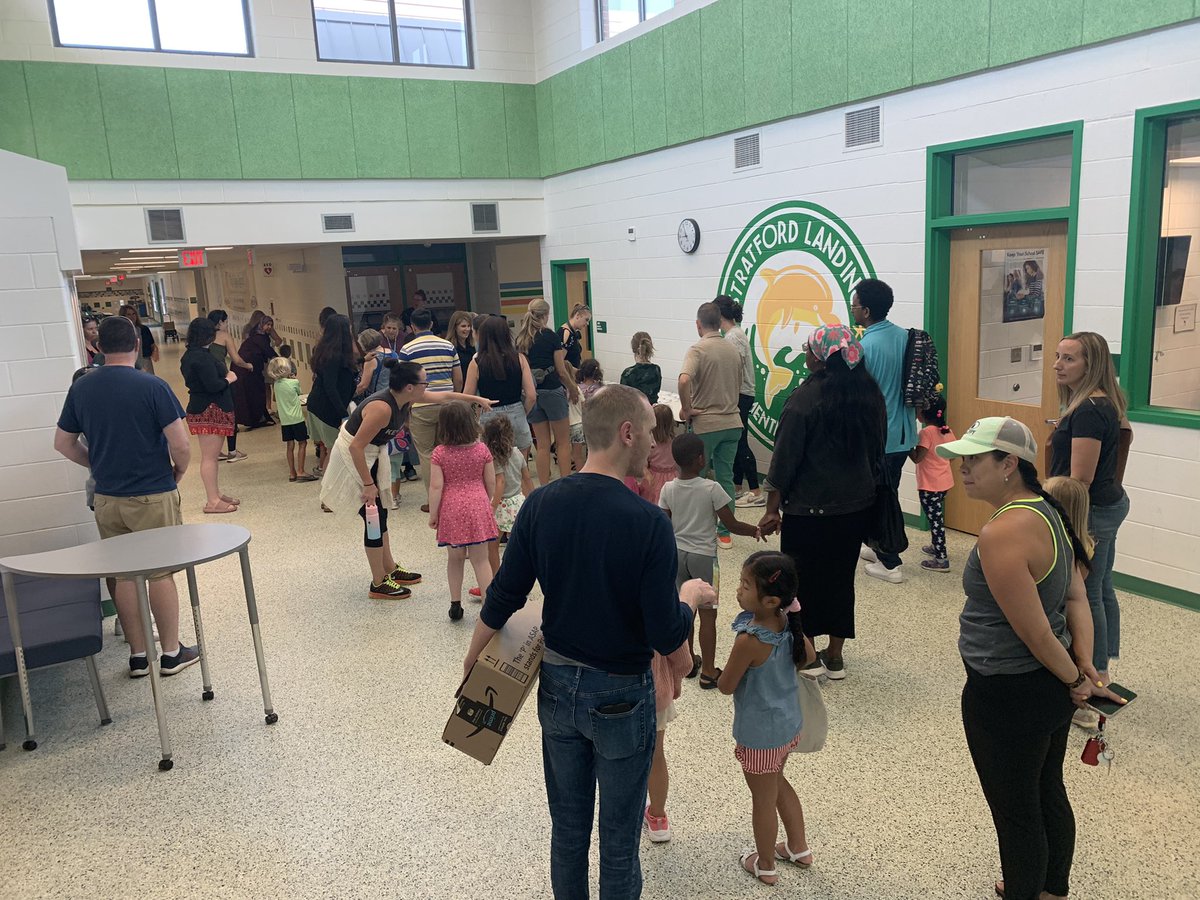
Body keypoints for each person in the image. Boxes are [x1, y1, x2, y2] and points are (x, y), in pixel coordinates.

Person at [461, 384, 711, 900]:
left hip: (556, 689)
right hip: (621, 693)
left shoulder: (542, 504)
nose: (651, 441)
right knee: (619, 842)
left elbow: (505, 593)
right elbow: (666, 633)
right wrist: (689, 598)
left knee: (568, 831)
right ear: (626, 433)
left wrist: (473, 657)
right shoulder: (647, 523)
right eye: (647, 431)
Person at [935, 416, 1123, 900]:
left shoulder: (1004, 532)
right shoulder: (1048, 509)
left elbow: (1036, 632)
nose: (963, 469)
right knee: (1046, 791)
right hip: (1046, 688)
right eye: (962, 459)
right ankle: (1052, 890)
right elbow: (1076, 599)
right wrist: (1082, 666)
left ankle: (1025, 890)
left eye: (975, 460)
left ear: (1009, 464)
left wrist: (1077, 679)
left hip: (1007, 691)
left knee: (1016, 812)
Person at [53, 315, 199, 677]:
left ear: (99, 348)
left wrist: (96, 466)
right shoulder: (152, 386)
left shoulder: (82, 388)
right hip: (152, 493)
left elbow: (63, 443)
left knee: (123, 575)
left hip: (107, 499)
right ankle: (169, 654)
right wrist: (177, 473)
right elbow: (180, 444)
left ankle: (138, 656)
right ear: (136, 345)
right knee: (159, 573)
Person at [758, 325, 884, 681]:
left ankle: (807, 654)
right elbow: (878, 451)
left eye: (808, 349)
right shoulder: (868, 395)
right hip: (856, 507)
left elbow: (784, 460)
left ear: (821, 357)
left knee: (802, 583)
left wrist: (771, 509)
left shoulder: (804, 400)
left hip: (808, 511)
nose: (805, 354)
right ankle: (836, 655)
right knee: (841, 578)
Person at [320, 359, 491, 599]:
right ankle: (378, 583)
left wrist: (476, 400)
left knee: (382, 514)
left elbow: (443, 397)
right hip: (355, 458)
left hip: (373, 454)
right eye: (424, 382)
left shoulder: (407, 397)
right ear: (409, 386)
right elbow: (356, 447)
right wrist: (368, 485)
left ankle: (389, 568)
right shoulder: (382, 408)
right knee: (373, 518)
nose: (427, 387)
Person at [717, 551, 815, 885]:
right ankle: (799, 848)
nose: (739, 590)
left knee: (763, 798)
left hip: (760, 735)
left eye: (745, 585)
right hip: (788, 726)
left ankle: (766, 864)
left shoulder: (749, 640)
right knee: (778, 783)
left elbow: (726, 686)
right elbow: (809, 657)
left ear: (771, 599)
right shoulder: (789, 623)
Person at [1050, 332, 1130, 693]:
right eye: (1057, 357)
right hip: (1109, 503)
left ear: (1091, 365)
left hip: (1093, 510)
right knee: (1102, 587)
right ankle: (1104, 664)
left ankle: (1096, 674)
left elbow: (1080, 478)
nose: (1058, 365)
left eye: (1069, 359)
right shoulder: (1102, 405)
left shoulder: (1088, 412)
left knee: (1088, 592)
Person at [660, 433, 763, 689]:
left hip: (677, 555)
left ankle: (688, 663)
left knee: (686, 611)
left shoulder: (668, 488)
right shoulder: (711, 488)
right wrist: (754, 530)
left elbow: (662, 523)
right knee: (708, 616)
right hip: (704, 557)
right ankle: (708, 670)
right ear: (700, 459)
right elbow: (730, 524)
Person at [852, 278, 917, 583]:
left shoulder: (864, 347)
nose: (852, 309)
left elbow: (858, 398)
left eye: (854, 304)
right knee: (884, 493)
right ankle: (877, 547)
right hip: (904, 433)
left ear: (865, 310)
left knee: (880, 498)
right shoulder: (904, 338)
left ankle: (891, 563)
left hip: (879, 437)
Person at [679, 301, 744, 549]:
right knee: (725, 477)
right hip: (732, 422)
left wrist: (686, 409)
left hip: (706, 425)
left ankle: (696, 529)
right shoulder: (733, 350)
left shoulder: (698, 350)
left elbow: (685, 380)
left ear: (698, 325)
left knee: (696, 478)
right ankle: (725, 532)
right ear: (719, 323)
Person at [429, 401, 499, 622]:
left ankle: (455, 605)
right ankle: (489, 607)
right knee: (481, 560)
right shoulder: (482, 450)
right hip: (478, 504)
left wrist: (433, 514)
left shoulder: (440, 453)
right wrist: (486, 501)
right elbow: (490, 481)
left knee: (455, 559)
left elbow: (436, 486)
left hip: (452, 508)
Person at [397, 307, 462, 509]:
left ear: (412, 326)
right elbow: (458, 378)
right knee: (449, 449)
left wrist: (406, 408)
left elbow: (402, 383)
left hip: (421, 406)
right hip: (447, 405)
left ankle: (432, 501)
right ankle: (452, 495)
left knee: (426, 454)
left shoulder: (407, 350)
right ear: (432, 324)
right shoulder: (448, 346)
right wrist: (454, 399)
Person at [179, 317, 240, 514]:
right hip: (209, 409)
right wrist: (229, 379)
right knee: (210, 458)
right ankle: (212, 500)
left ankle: (215, 493)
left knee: (211, 457)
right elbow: (213, 385)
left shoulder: (190, 355)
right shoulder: (202, 358)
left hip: (203, 407)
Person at [516, 298, 579, 485]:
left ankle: (544, 485)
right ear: (545, 315)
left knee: (542, 445)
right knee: (563, 442)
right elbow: (561, 370)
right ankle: (565, 484)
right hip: (552, 390)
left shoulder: (521, 338)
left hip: (532, 394)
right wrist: (573, 388)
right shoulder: (551, 336)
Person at [644, 633, 695, 844]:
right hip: (655, 691)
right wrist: (673, 682)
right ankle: (657, 818)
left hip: (609, 693)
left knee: (616, 759)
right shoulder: (660, 600)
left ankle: (622, 815)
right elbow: (683, 660)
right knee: (656, 755)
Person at [716, 296, 764, 508]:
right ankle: (737, 486)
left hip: (740, 395)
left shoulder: (732, 338)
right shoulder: (733, 334)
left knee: (741, 441)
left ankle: (755, 491)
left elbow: (733, 371)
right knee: (735, 441)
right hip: (741, 393)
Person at [467, 313, 537, 459]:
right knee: (520, 468)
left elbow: (467, 397)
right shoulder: (520, 359)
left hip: (489, 414)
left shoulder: (476, 363)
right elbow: (531, 395)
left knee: (493, 468)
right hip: (517, 411)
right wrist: (523, 412)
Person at [308, 314, 358, 482]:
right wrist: (343, 414)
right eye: (349, 328)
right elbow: (330, 387)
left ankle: (330, 488)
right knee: (333, 450)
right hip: (326, 409)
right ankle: (327, 493)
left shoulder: (332, 351)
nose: (352, 331)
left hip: (326, 407)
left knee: (333, 449)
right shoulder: (332, 356)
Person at [910, 394, 956, 572]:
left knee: (935, 520)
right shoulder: (947, 430)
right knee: (936, 517)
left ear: (922, 413)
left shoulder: (926, 433)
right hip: (944, 483)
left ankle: (941, 559)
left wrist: (906, 444)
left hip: (930, 486)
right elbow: (951, 455)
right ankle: (936, 547)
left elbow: (917, 458)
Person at [206, 309, 253, 462]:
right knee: (229, 414)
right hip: (224, 379)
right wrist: (248, 366)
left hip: (208, 380)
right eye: (226, 322)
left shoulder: (204, 336)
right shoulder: (224, 336)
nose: (227, 325)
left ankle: (216, 451)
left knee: (214, 415)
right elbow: (236, 359)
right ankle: (232, 451)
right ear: (220, 322)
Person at [269, 353, 317, 483]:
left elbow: (274, 398)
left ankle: (292, 472)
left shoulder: (276, 384)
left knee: (289, 446)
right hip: (297, 418)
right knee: (302, 443)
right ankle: (301, 470)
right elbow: (299, 394)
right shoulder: (294, 382)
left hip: (285, 421)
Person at [233, 310, 278, 430]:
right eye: (267, 324)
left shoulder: (259, 337)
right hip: (246, 369)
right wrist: (281, 361)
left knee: (254, 393)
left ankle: (256, 418)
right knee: (252, 394)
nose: (269, 327)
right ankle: (254, 419)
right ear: (261, 324)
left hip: (250, 370)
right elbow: (268, 351)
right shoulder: (259, 338)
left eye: (271, 325)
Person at [637, 403, 678, 505]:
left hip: (653, 478)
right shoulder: (675, 442)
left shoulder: (650, 445)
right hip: (673, 477)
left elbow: (643, 464)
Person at [569, 357, 604, 472]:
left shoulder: (576, 388)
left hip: (579, 422)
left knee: (578, 451)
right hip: (596, 421)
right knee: (594, 447)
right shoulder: (600, 388)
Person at [621, 331, 661, 403]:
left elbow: (623, 400)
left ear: (633, 349)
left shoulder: (628, 373)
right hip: (652, 410)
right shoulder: (656, 369)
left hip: (635, 411)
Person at [353, 328, 391, 403]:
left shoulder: (371, 359)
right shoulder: (393, 353)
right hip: (392, 396)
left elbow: (363, 386)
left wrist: (350, 396)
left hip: (377, 399)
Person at [120, 304, 158, 375]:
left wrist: (155, 351)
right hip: (128, 362)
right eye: (129, 314)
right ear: (123, 316)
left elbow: (152, 344)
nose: (132, 316)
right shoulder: (121, 331)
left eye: (134, 314)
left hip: (145, 360)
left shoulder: (144, 329)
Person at [559, 303, 592, 376]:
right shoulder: (566, 333)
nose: (587, 323)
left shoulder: (573, 333)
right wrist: (578, 372)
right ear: (577, 316)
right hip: (568, 376)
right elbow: (560, 363)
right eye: (586, 320)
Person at [447, 309, 476, 381]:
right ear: (455, 328)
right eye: (463, 326)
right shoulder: (449, 347)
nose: (467, 329)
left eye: (469, 326)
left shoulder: (472, 346)